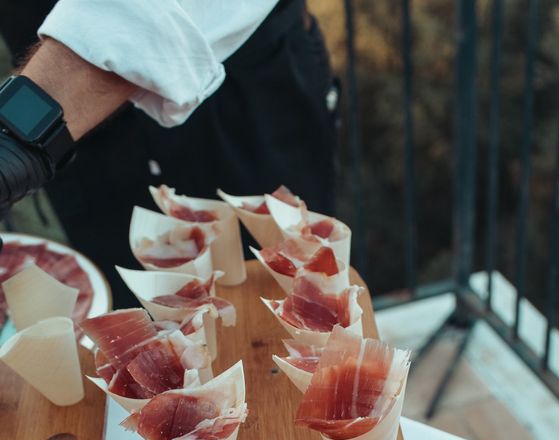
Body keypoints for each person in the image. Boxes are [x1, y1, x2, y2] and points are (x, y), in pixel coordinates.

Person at [0, 0, 339, 306]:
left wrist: (15, 136)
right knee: (137, 331)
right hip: (77, 130)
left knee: (296, 307)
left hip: (237, 94)